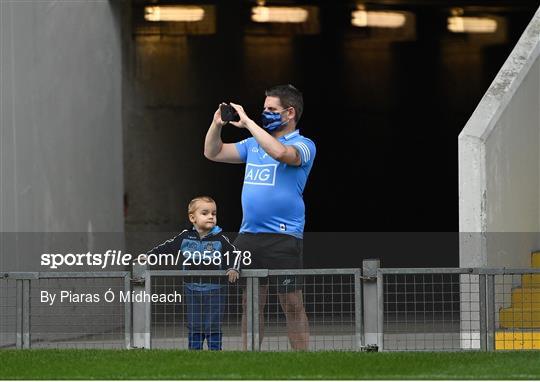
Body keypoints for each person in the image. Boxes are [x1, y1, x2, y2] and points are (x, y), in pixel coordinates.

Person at [204, 84, 316, 350]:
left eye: (271, 109)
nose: (265, 113)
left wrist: (250, 122)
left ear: (289, 113)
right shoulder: (253, 144)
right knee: (251, 302)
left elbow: (280, 153)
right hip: (249, 235)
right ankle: (250, 359)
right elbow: (213, 152)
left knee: (291, 302)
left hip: (284, 236)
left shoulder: (304, 144)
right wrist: (216, 124)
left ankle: (303, 362)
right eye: (264, 109)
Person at [146, 196, 240, 350]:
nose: (211, 216)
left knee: (213, 324)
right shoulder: (185, 238)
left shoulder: (221, 239)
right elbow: (167, 248)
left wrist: (233, 268)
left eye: (214, 213)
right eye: (205, 213)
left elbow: (235, 254)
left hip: (215, 290)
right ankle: (194, 353)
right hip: (191, 288)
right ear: (192, 217)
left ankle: (215, 353)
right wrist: (149, 256)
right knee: (194, 323)